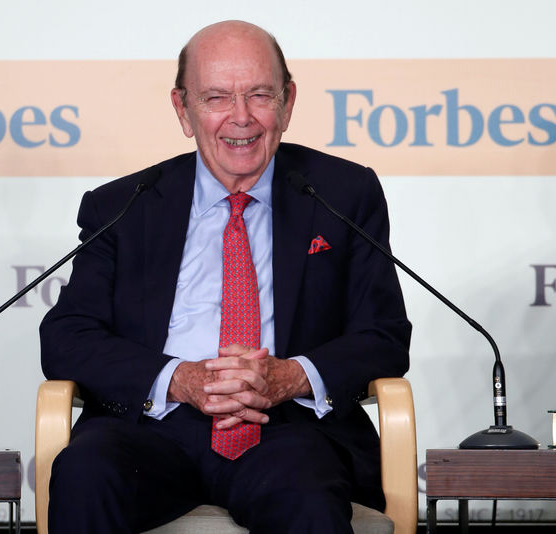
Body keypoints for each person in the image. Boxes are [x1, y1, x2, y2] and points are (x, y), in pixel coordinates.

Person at [40, 20, 411, 534]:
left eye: (260, 94)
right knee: (84, 470)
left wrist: (289, 376)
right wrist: (181, 379)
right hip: (154, 429)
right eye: (216, 97)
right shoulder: (126, 205)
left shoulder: (342, 194)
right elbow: (67, 337)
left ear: (288, 102)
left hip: (286, 433)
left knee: (307, 490)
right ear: (183, 109)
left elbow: (384, 335)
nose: (241, 118)